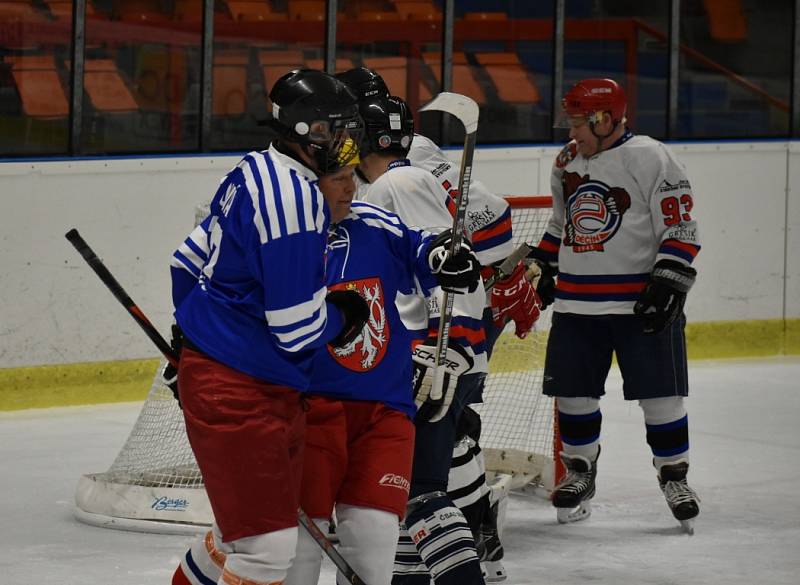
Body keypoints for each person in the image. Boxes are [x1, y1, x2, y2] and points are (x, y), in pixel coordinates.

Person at [170, 145, 483, 585]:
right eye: (339, 178)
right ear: (308, 183)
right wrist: (196, 348)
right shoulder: (278, 229)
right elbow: (199, 273)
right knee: (287, 559)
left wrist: (445, 256)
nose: (351, 188)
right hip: (308, 409)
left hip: (383, 411)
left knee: (373, 552)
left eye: (353, 175)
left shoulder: (373, 223)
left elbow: (423, 248)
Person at [168, 69, 372, 585]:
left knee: (245, 537)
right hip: (243, 390)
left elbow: (185, 261)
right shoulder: (297, 204)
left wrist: (193, 341)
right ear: (307, 133)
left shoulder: (251, 168)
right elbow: (296, 330)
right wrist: (345, 316)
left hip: (243, 380)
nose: (347, 141)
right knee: (265, 550)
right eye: (336, 129)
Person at [338, 66, 540, 583]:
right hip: (423, 353)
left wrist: (441, 355)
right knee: (413, 484)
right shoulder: (386, 181)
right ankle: (438, 559)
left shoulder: (400, 182)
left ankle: (472, 547)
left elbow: (449, 276)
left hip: (430, 355)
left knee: (421, 485)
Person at [528, 78, 702, 533]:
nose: (574, 131)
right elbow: (559, 225)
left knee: (661, 397)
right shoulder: (567, 160)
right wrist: (541, 262)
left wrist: (669, 279)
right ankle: (581, 472)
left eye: (579, 122)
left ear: (605, 118)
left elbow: (680, 225)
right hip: (577, 305)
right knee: (572, 395)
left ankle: (674, 476)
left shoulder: (650, 156)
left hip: (637, 305)